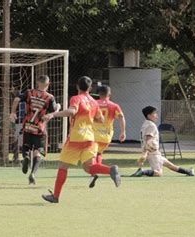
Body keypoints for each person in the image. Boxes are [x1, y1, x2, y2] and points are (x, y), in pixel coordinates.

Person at [41, 76, 121, 204]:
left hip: (76, 138)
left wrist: (53, 114)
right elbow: (100, 119)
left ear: (77, 87)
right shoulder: (94, 102)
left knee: (63, 166)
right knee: (89, 167)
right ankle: (110, 170)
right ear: (89, 88)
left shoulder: (76, 98)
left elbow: (72, 111)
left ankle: (56, 196)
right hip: (90, 138)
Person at [10, 75, 59, 184]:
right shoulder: (50, 97)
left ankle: (26, 157)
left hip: (27, 126)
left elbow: (17, 98)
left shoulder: (29, 92)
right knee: (38, 152)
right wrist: (59, 107)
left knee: (26, 147)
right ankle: (33, 173)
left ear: (37, 82)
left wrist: (13, 112)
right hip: (39, 128)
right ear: (48, 84)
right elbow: (53, 112)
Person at [130, 106, 194, 178]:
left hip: (154, 153)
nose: (156, 115)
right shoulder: (151, 125)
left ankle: (188, 172)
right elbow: (149, 140)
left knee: (170, 165)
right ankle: (143, 171)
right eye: (154, 113)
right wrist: (145, 153)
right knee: (158, 173)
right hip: (153, 153)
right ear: (149, 115)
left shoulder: (145, 124)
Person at [88, 84, 126, 188]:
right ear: (109, 94)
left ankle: (108, 171)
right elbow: (121, 117)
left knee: (90, 160)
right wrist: (123, 131)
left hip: (93, 135)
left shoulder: (93, 103)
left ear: (99, 94)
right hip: (106, 136)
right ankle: (93, 176)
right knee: (98, 153)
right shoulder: (114, 105)